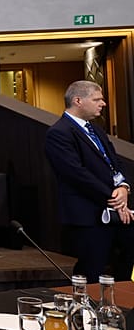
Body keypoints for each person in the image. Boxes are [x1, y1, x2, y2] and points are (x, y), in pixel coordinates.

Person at [45, 80, 133, 282]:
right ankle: (86, 312)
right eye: (97, 99)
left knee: (125, 265)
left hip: (116, 212)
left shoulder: (97, 130)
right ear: (78, 100)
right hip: (88, 216)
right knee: (91, 271)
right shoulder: (59, 133)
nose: (103, 103)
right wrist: (114, 197)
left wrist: (123, 187)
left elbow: (115, 161)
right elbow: (76, 174)